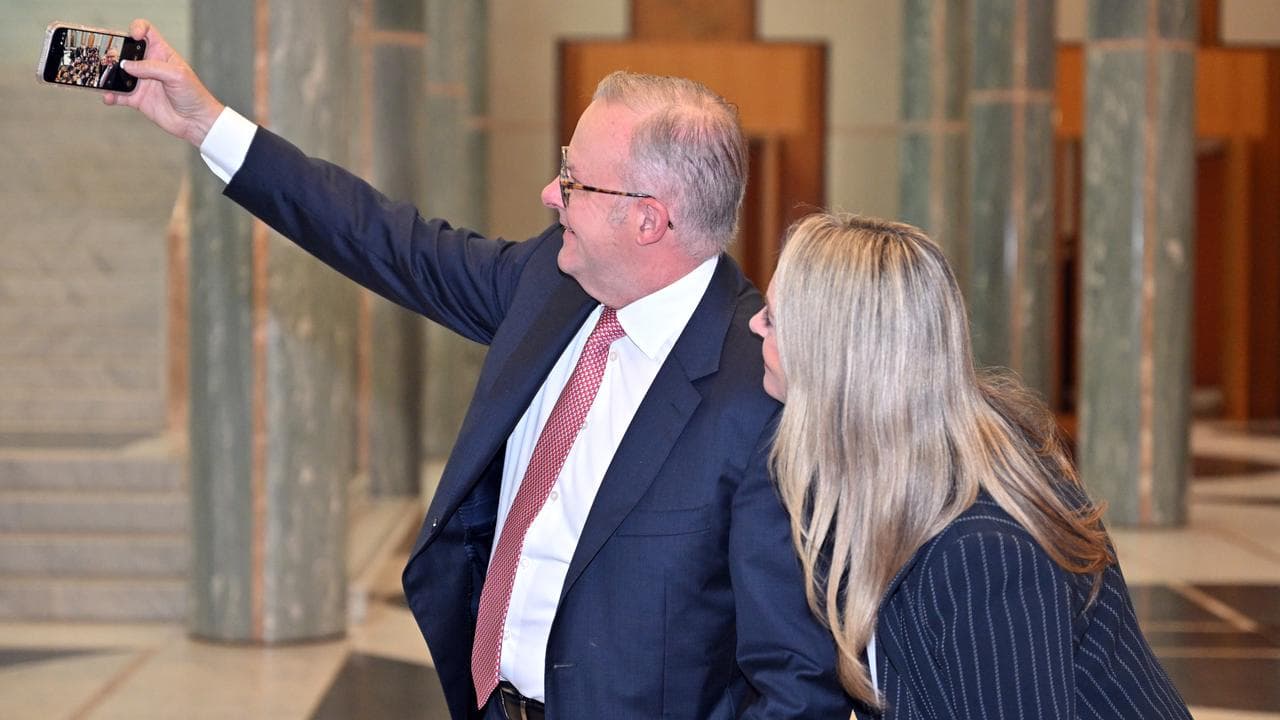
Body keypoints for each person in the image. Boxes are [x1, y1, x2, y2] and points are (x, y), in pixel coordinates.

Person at [104, 18, 851, 720]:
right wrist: (207, 123)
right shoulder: (550, 284)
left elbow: (794, 680)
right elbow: (385, 239)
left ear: (649, 219)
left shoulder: (762, 392)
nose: (551, 195)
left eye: (576, 182)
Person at [749, 212, 1193, 719]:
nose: (754, 324)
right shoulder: (882, 482)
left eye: (773, 317)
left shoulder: (981, 549)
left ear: (831, 357)